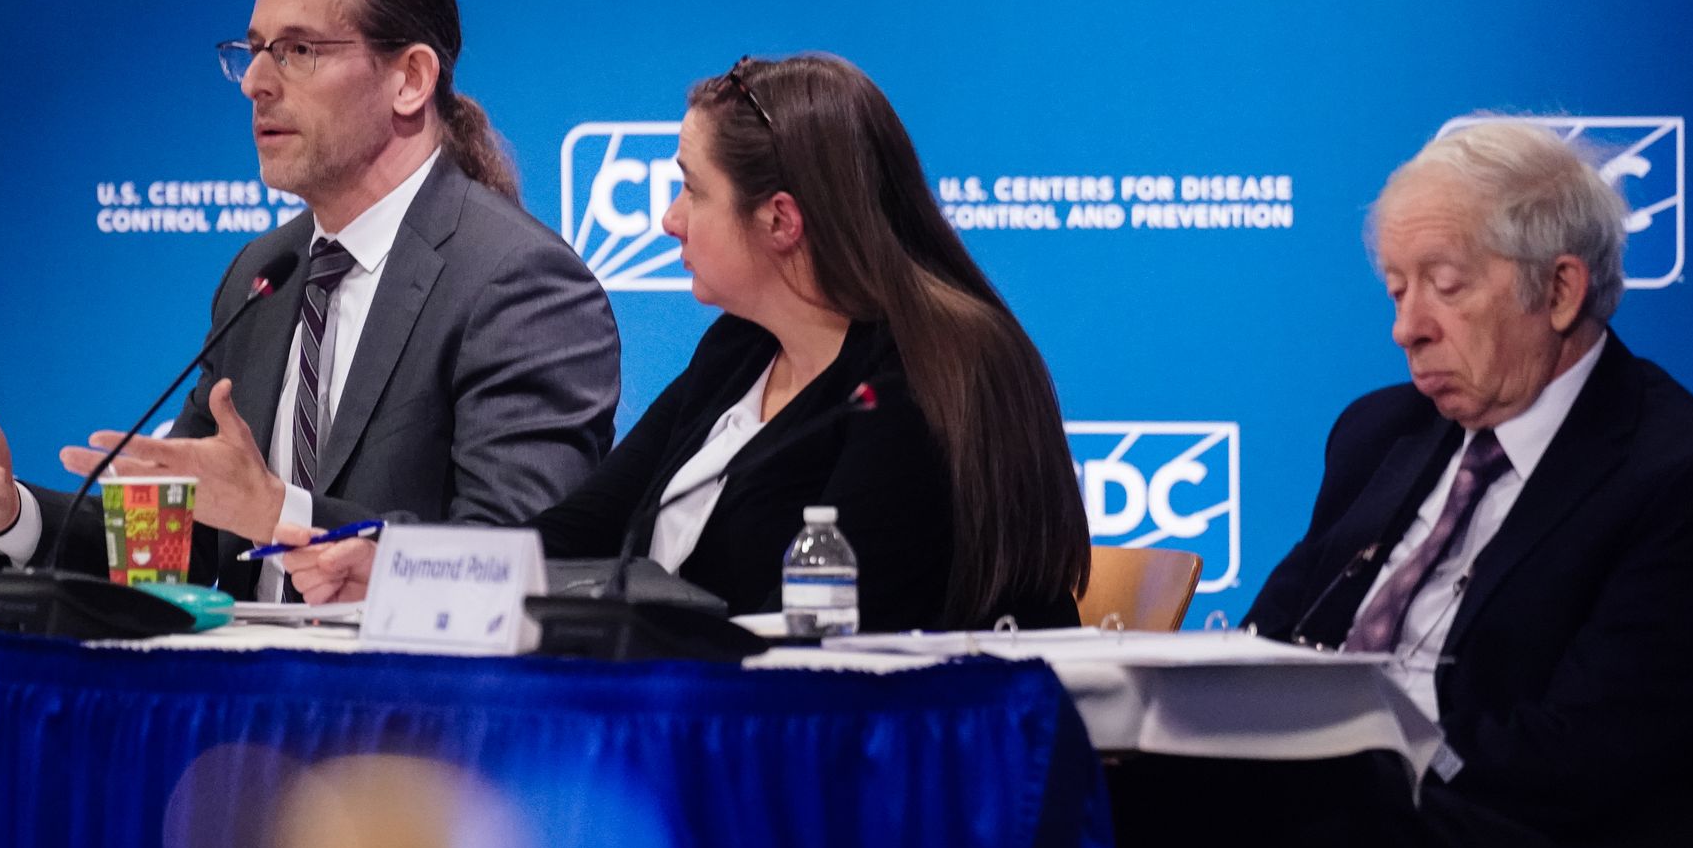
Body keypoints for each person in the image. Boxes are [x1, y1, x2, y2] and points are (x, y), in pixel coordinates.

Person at [0, 0, 621, 598]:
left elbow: (520, 554)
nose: (255, 81)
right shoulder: (265, 272)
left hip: (421, 707)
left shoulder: (517, 282)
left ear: (410, 79)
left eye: (298, 50)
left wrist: (278, 511)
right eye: (254, 49)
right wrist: (12, 514)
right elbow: (179, 544)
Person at [278, 54, 1089, 632]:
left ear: (780, 220)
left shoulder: (926, 372)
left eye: (691, 189)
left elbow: (842, 625)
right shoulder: (740, 350)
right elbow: (574, 536)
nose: (668, 219)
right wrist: (398, 565)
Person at [1243, 120, 1693, 848]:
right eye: (1396, 291)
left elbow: (1590, 758)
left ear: (1561, 290)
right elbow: (1269, 636)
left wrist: (1358, 748)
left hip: (1515, 842)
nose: (1407, 330)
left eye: (1445, 287)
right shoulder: (1379, 431)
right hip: (1323, 807)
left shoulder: (1685, 477)